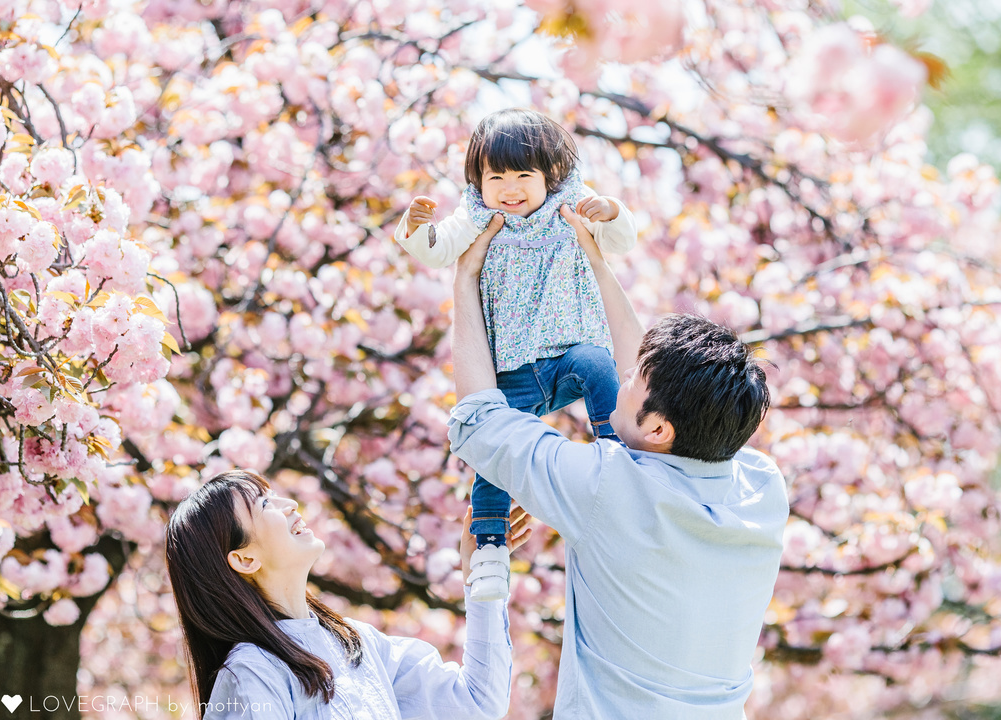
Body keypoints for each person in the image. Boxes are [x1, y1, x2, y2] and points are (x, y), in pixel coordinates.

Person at [447, 207, 789, 719]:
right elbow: (663, 402)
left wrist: (465, 277)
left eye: (631, 382)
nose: (618, 379)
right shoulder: (763, 488)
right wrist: (596, 262)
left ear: (657, 429)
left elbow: (476, 421)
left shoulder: (607, 487)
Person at [393, 107, 638, 601]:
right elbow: (440, 251)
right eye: (495, 177)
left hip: (567, 351)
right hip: (513, 369)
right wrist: (419, 227)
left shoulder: (571, 202)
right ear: (477, 181)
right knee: (496, 447)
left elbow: (619, 241)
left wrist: (610, 213)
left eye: (524, 176)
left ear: (550, 176)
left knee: (598, 363)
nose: (509, 188)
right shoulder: (479, 215)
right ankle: (488, 544)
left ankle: (617, 452)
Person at [165, 469, 530, 720]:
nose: (288, 504)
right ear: (245, 558)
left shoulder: (356, 644)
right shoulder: (253, 673)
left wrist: (482, 574)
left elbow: (479, 701)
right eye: (263, 504)